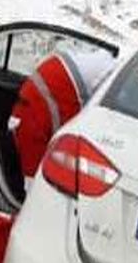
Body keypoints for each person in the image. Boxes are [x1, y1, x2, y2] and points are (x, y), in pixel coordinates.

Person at [11, 49, 117, 179]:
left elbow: (33, 186)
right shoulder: (30, 127)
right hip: (63, 77)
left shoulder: (28, 126)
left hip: (65, 82)